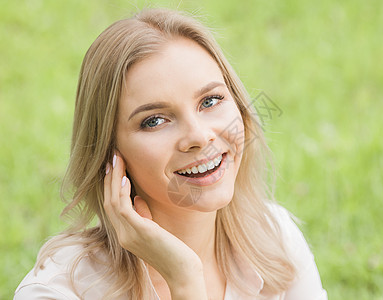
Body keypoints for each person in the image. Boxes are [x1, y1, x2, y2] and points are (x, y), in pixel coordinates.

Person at [14, 8, 327, 300]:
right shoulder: (58, 291)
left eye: (210, 100)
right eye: (154, 121)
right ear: (110, 154)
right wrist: (185, 280)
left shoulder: (275, 237)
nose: (199, 136)